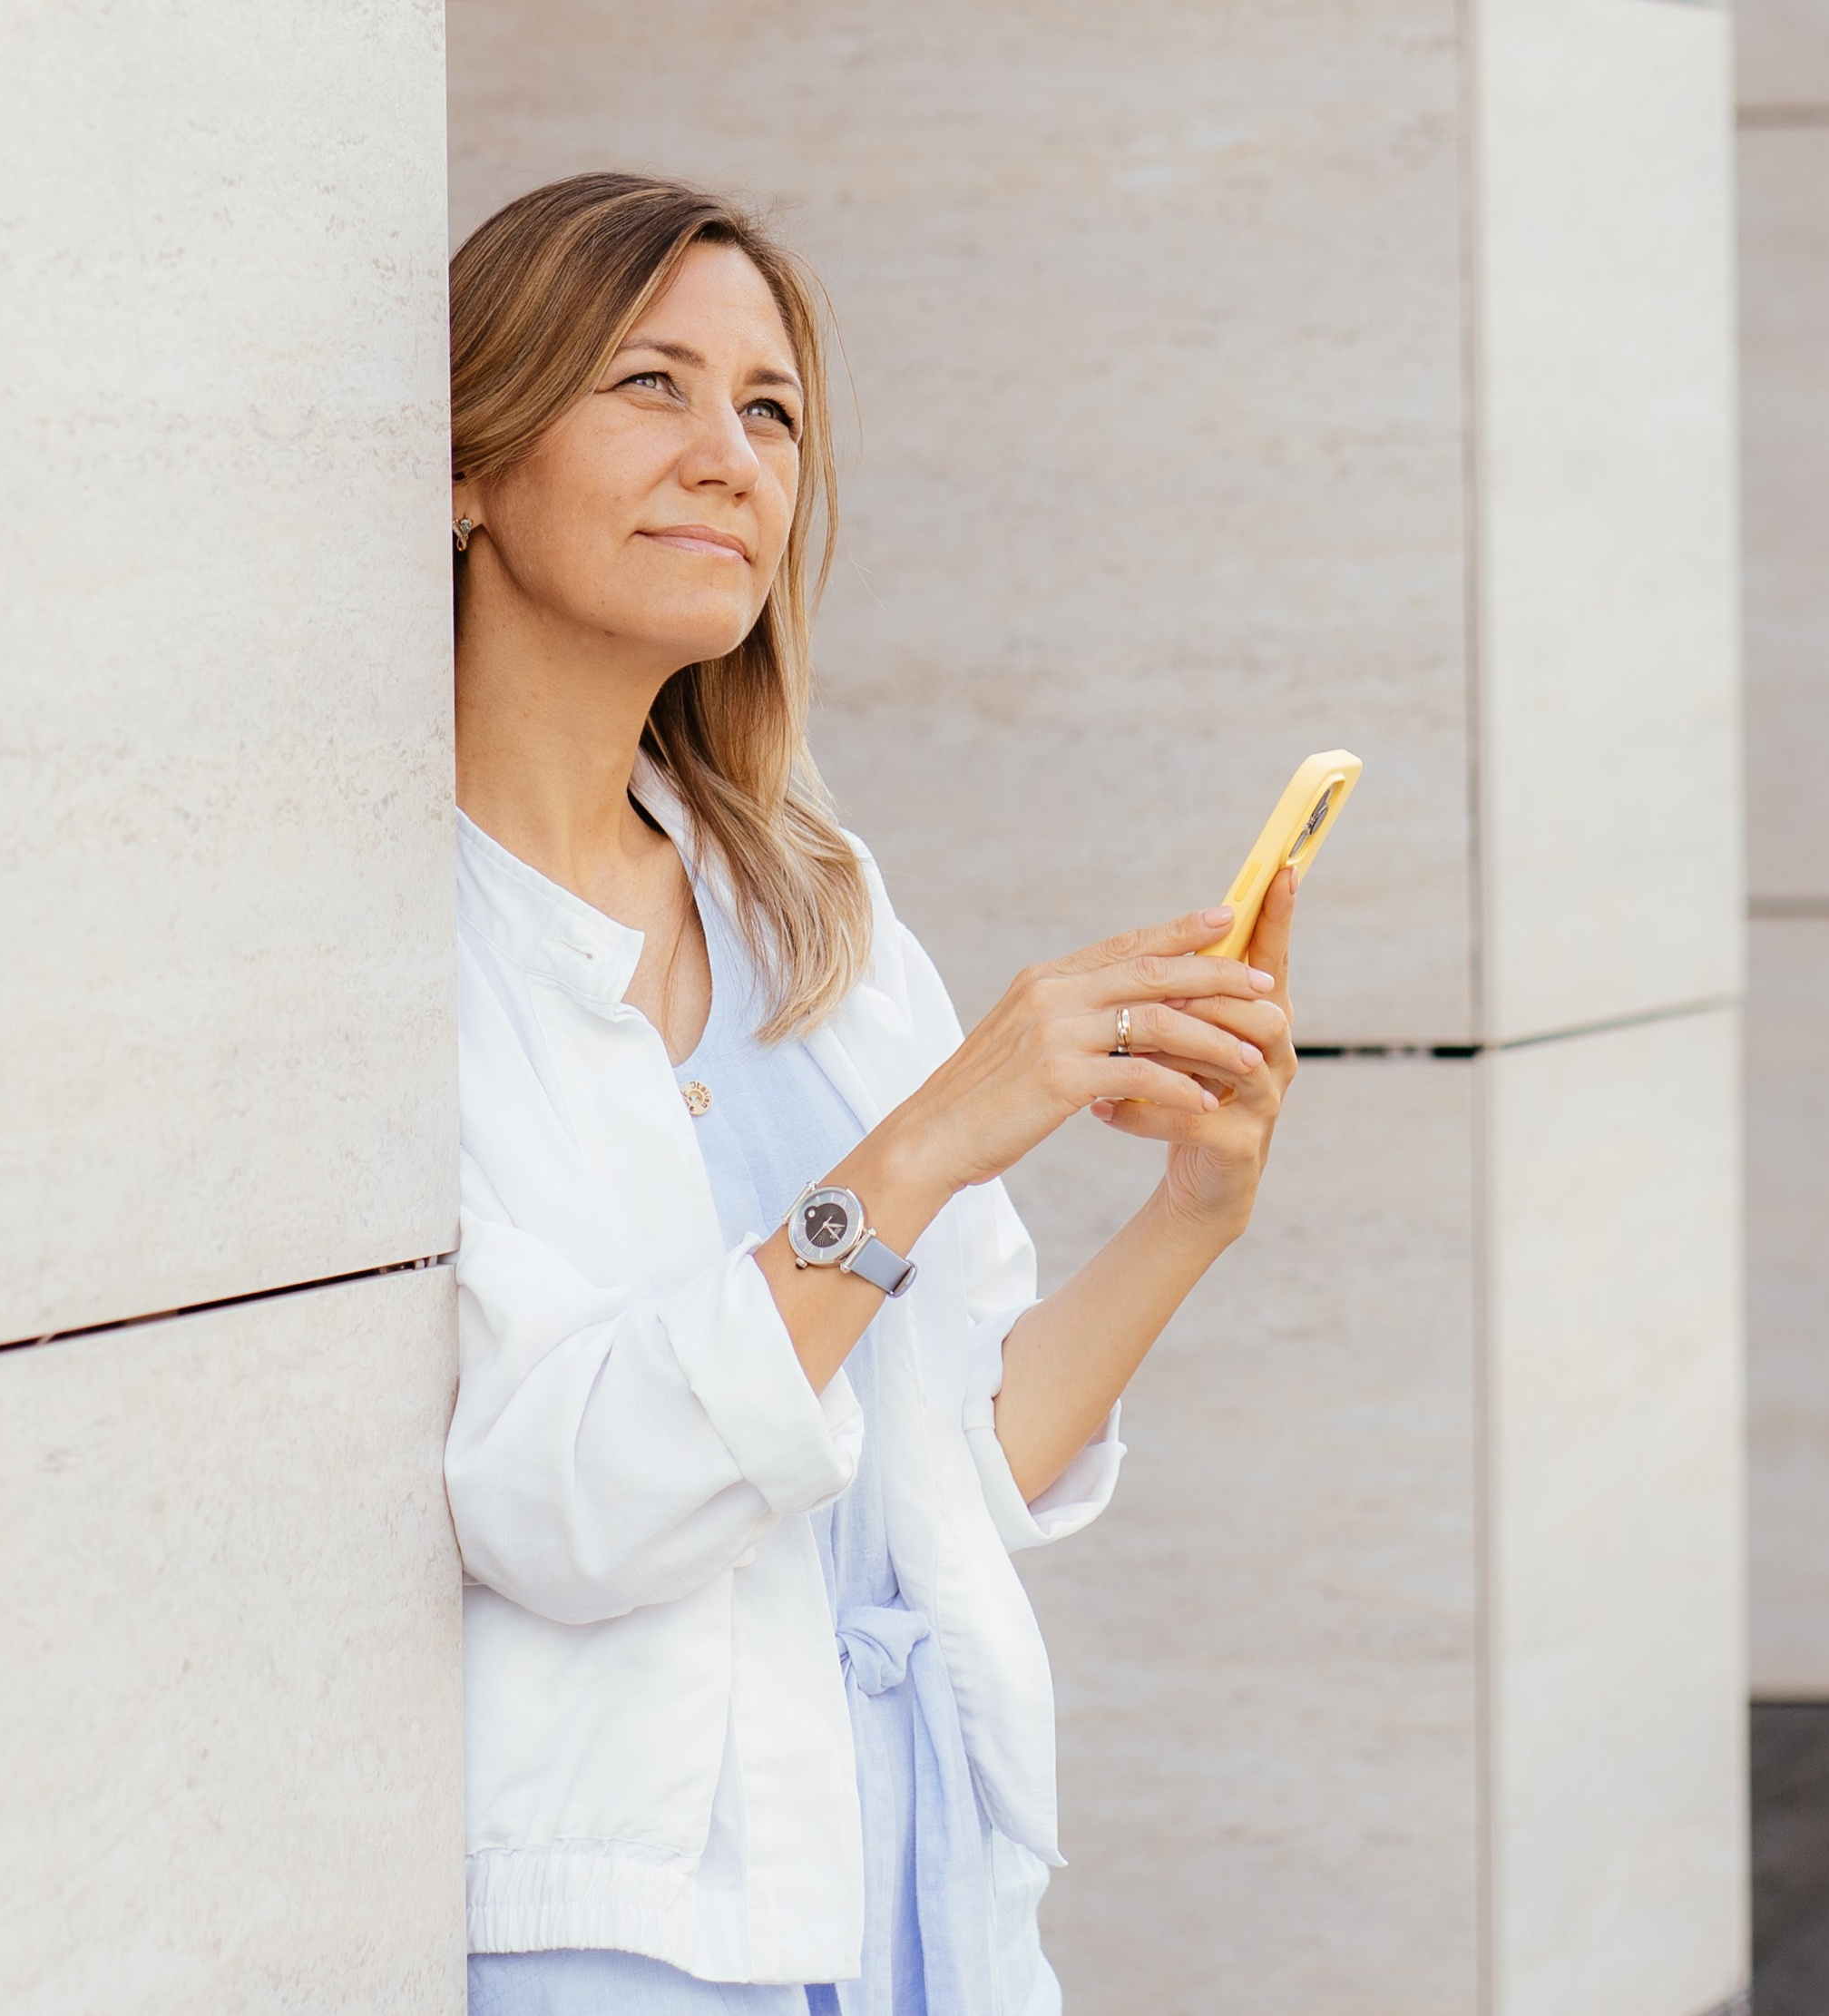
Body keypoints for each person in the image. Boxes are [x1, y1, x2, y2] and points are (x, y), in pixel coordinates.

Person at [445, 171, 1298, 2016]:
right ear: (465, 464)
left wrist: (1192, 1213)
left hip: (915, 1900)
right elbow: (553, 1504)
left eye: (770, 412)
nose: (730, 456)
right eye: (650, 384)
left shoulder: (806, 903)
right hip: (626, 1948)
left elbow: (961, 1461)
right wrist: (918, 1146)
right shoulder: (390, 957)